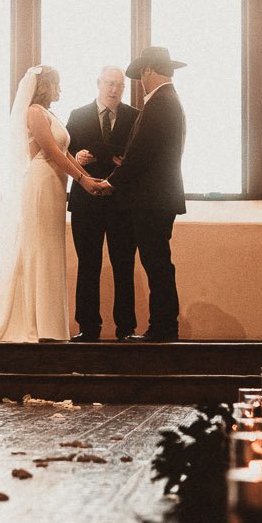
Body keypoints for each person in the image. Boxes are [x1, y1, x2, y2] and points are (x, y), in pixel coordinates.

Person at [0, 65, 110, 343]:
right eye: (56, 84)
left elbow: (66, 153)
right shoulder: (34, 112)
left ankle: (50, 324)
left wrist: (87, 178)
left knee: (50, 249)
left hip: (55, 186)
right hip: (40, 183)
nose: (60, 89)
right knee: (39, 248)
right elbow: (49, 151)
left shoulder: (50, 114)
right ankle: (37, 322)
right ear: (45, 86)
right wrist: (82, 182)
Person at [109, 47, 187, 341]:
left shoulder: (160, 103)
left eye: (141, 75)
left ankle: (163, 327)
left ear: (147, 71)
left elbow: (141, 154)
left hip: (151, 200)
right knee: (158, 262)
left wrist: (112, 182)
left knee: (156, 264)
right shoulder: (171, 101)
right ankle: (163, 325)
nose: (141, 81)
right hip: (160, 198)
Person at [66, 65, 138, 341]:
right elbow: (64, 150)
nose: (114, 90)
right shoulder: (78, 115)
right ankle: (87, 327)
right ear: (98, 83)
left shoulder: (134, 116)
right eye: (109, 83)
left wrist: (124, 162)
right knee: (88, 265)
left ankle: (126, 328)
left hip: (121, 202)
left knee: (124, 265)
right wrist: (78, 155)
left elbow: (140, 155)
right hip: (86, 201)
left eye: (120, 85)